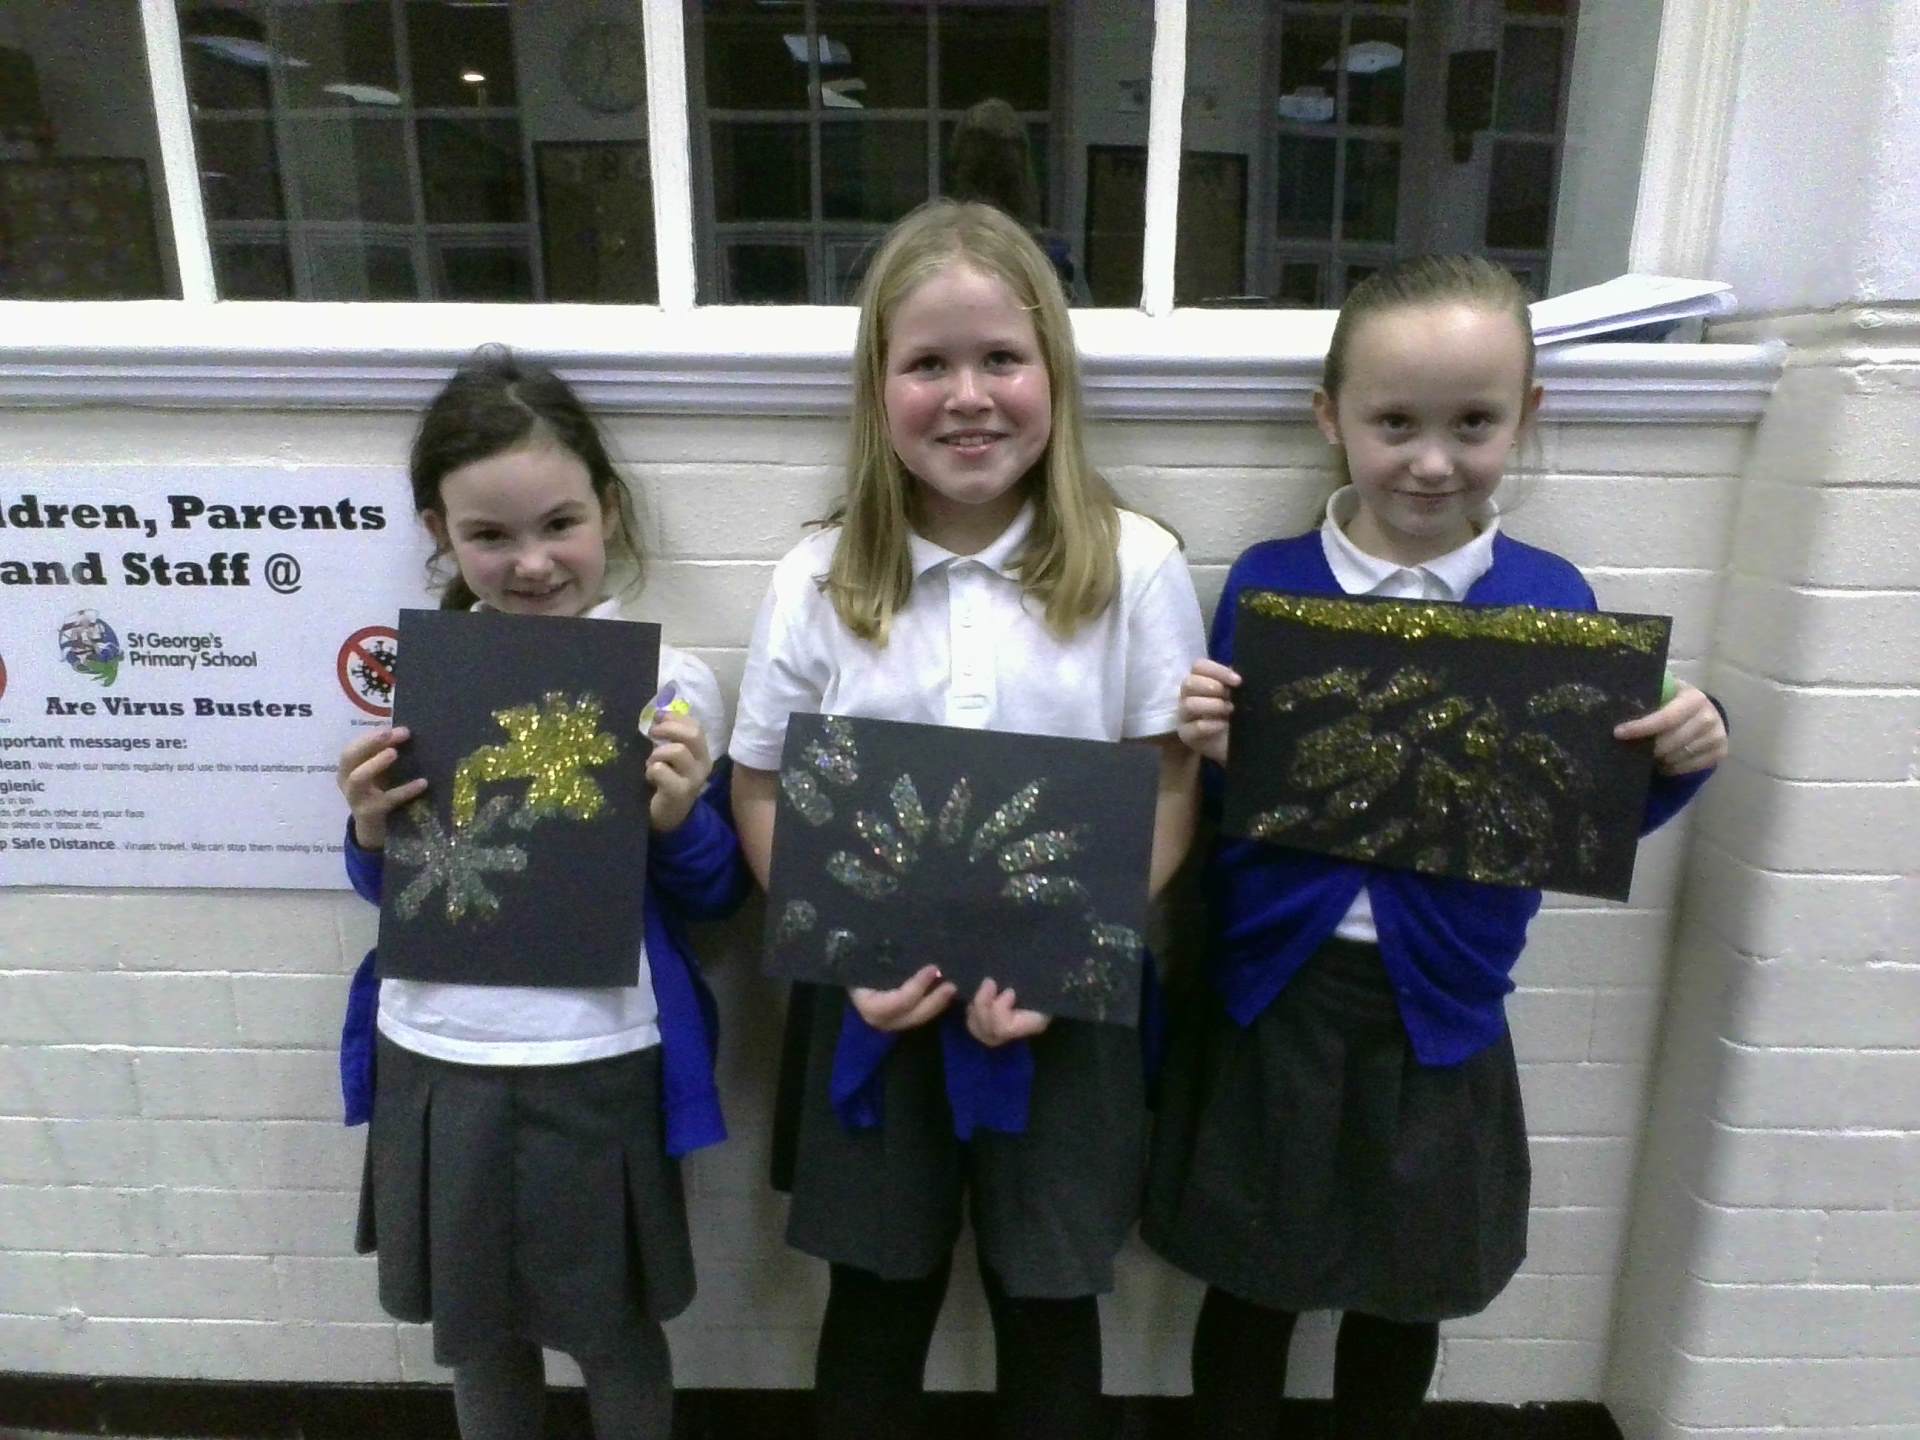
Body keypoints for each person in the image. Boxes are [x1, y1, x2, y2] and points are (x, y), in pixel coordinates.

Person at [1141, 255, 1729, 1439]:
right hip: (1278, 992)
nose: (1430, 461)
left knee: (1407, 1287)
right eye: (1395, 423)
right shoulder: (1269, 584)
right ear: (1332, 419)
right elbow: (1226, 806)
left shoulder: (1552, 602)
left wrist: (1678, 761)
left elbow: (1570, 819)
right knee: (1250, 1278)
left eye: (1473, 424)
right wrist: (1207, 744)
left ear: (1525, 417)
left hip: (1445, 1000)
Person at [728, 199, 1205, 1439]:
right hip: (874, 1002)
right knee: (875, 1300)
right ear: (877, 389)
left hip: (1066, 1004)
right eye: (927, 364)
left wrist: (1061, 960)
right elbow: (762, 785)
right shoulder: (819, 577)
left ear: (1054, 372)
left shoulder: (1136, 567)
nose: (969, 396)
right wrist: (851, 955)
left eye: (1002, 357)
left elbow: (1166, 786)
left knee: (1051, 1301)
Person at [333, 348, 746, 1440]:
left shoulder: (668, 684)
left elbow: (715, 895)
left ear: (608, 510)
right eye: (490, 535)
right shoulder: (426, 676)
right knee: (477, 1334)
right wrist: (368, 824)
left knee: (614, 1327)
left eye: (560, 523)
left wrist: (679, 817)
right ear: (440, 534)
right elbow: (392, 884)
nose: (530, 563)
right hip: (441, 1049)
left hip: (598, 1053)